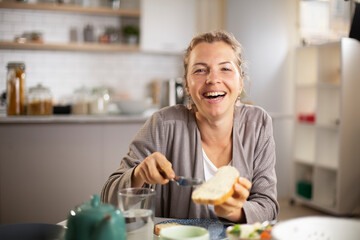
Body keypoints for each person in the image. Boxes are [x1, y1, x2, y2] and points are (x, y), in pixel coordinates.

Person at [101, 30, 279, 224]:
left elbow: (268, 205)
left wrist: (234, 211)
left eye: (225, 69)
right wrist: (138, 175)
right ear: (186, 85)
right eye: (200, 70)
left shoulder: (258, 123)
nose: (212, 79)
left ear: (240, 83)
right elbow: (108, 199)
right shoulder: (162, 124)